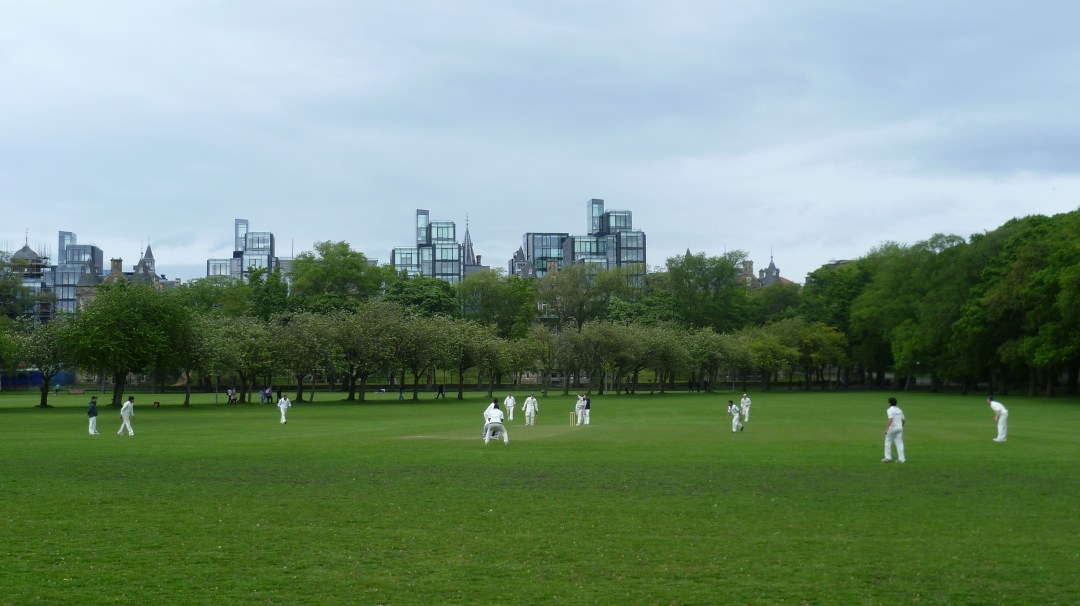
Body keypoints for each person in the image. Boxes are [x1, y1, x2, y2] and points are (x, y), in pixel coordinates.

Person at [882, 396, 906, 463]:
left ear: (889, 403)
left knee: (888, 441)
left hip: (893, 427)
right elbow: (903, 420)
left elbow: (890, 419)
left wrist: (887, 428)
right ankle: (902, 459)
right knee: (899, 443)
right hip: (899, 427)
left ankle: (888, 457)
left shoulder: (889, 410)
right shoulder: (899, 410)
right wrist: (901, 426)